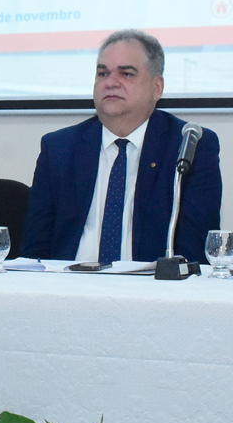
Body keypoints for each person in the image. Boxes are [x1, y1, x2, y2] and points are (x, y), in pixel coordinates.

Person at [20, 30, 220, 263]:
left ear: (157, 87)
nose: (110, 82)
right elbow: (34, 252)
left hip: (151, 283)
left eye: (126, 74)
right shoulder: (59, 148)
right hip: (70, 281)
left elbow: (194, 254)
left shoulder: (189, 146)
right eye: (103, 73)